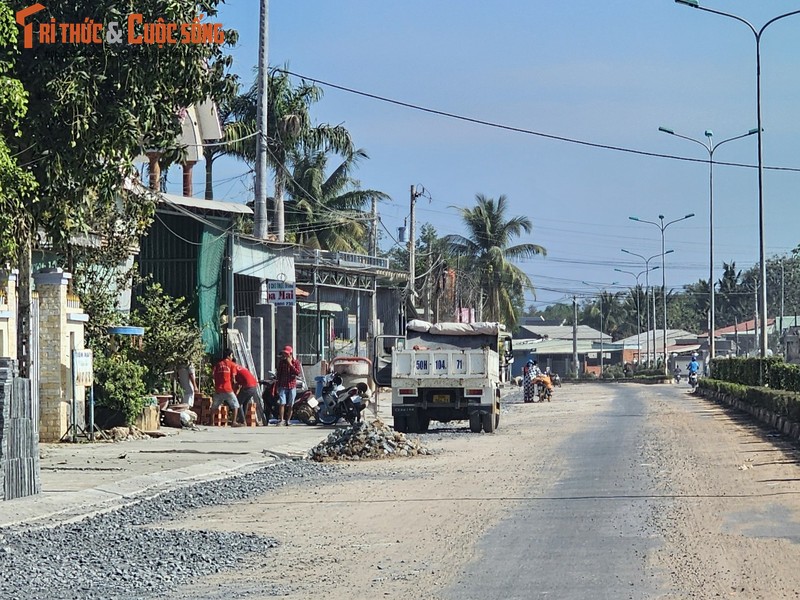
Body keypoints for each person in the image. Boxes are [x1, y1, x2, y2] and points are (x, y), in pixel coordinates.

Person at [212, 349, 244, 427]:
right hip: (228, 389)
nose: (232, 357)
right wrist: (236, 385)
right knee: (235, 405)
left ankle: (211, 422)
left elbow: (213, 375)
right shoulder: (232, 364)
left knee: (214, 406)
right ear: (228, 355)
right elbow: (233, 378)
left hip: (218, 389)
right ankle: (234, 422)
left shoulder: (218, 364)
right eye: (232, 355)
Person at [275, 345, 301, 426]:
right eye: (284, 354)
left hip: (292, 385)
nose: (285, 355)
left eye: (287, 354)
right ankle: (281, 420)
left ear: (291, 354)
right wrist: (277, 385)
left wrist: (290, 364)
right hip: (283, 385)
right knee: (282, 403)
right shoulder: (282, 362)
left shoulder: (296, 362)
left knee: (291, 404)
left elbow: (297, 372)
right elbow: (279, 374)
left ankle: (288, 420)